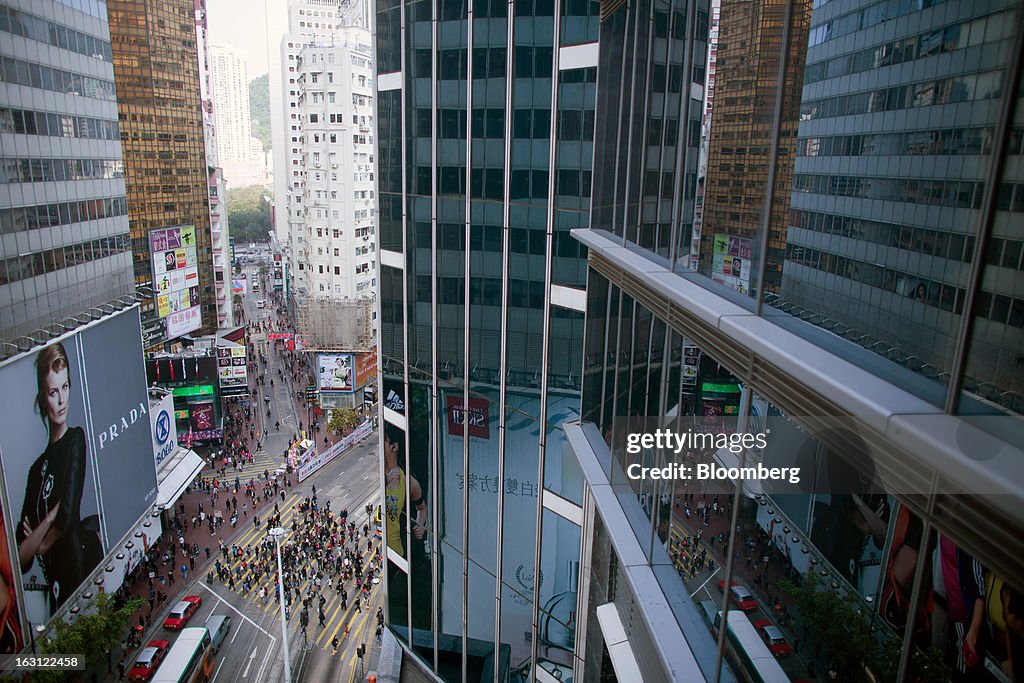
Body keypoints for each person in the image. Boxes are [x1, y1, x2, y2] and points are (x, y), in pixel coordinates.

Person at [17, 343, 102, 616]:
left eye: (65, 387)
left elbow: (68, 513)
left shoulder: (75, 439)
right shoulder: (35, 470)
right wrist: (50, 518)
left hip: (77, 566)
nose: (62, 400)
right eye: (54, 392)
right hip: (50, 585)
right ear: (43, 398)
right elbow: (21, 557)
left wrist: (40, 539)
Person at [383, 425, 427, 559]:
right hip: (381, 547)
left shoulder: (408, 481)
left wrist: (421, 525)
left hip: (395, 553)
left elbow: (422, 507)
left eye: (383, 441)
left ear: (394, 447)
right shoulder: (379, 473)